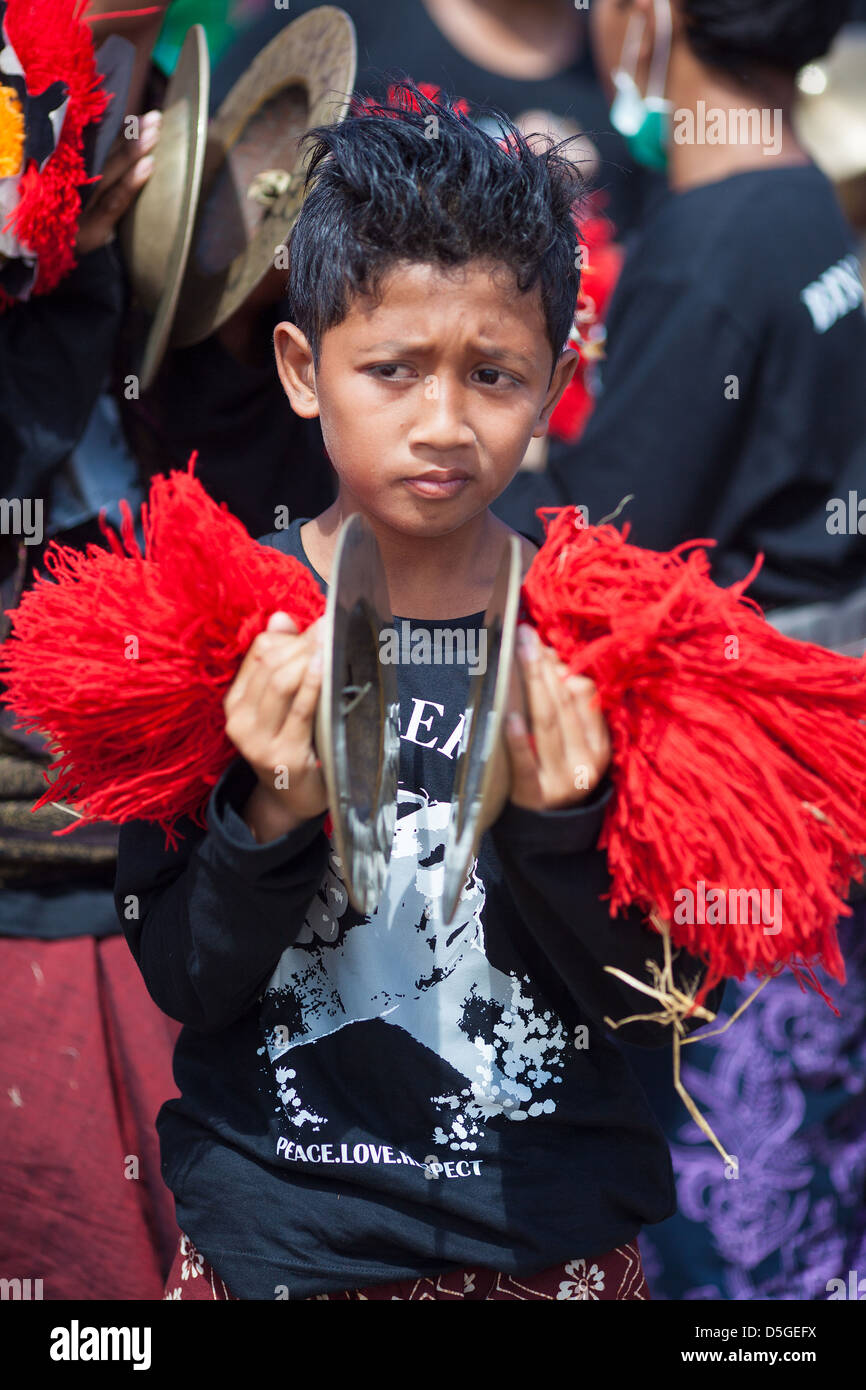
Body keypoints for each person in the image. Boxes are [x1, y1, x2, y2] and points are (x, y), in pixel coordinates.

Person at [115, 87, 722, 1302]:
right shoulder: (217, 630)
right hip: (282, 1250)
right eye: (390, 369)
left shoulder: (614, 639)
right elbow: (183, 975)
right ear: (301, 367)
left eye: (491, 374)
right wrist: (272, 815)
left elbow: (677, 1015)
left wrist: (557, 826)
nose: (442, 423)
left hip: (544, 1248)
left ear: (555, 379)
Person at [494, 0, 866, 613]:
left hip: (745, 661)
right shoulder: (803, 190)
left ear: (648, 20)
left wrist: (498, 458)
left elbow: (608, 544)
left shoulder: (705, 253)